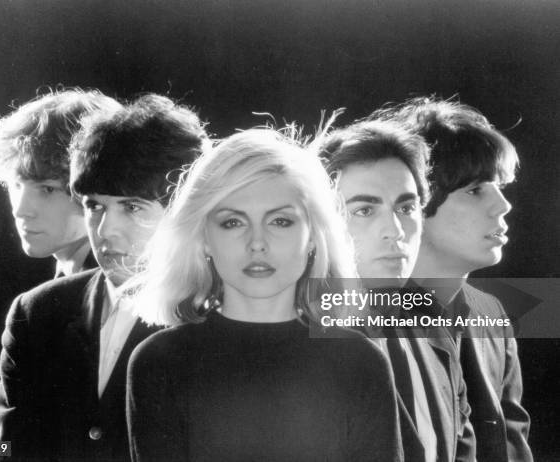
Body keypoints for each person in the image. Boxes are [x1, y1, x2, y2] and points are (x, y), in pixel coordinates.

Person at [126, 128, 402, 462]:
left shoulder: (360, 360)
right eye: (232, 223)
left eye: (281, 221)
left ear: (313, 237)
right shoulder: (159, 361)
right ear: (204, 239)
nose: (257, 242)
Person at [0, 93, 208, 461]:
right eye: (94, 206)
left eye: (132, 207)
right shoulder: (35, 310)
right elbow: (6, 450)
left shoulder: (214, 310)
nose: (106, 231)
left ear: (181, 213)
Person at [320, 119, 475, 462]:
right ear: (322, 223)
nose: (395, 231)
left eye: (406, 208)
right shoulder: (300, 340)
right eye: (363, 210)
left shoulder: (435, 330)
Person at [397, 97, 532, 462]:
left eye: (499, 186)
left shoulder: (493, 315)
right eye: (475, 190)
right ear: (415, 206)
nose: (503, 205)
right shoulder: (369, 317)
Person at [0, 89, 121, 277]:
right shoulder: (67, 281)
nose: (20, 211)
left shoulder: (112, 291)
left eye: (47, 189)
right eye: (16, 185)